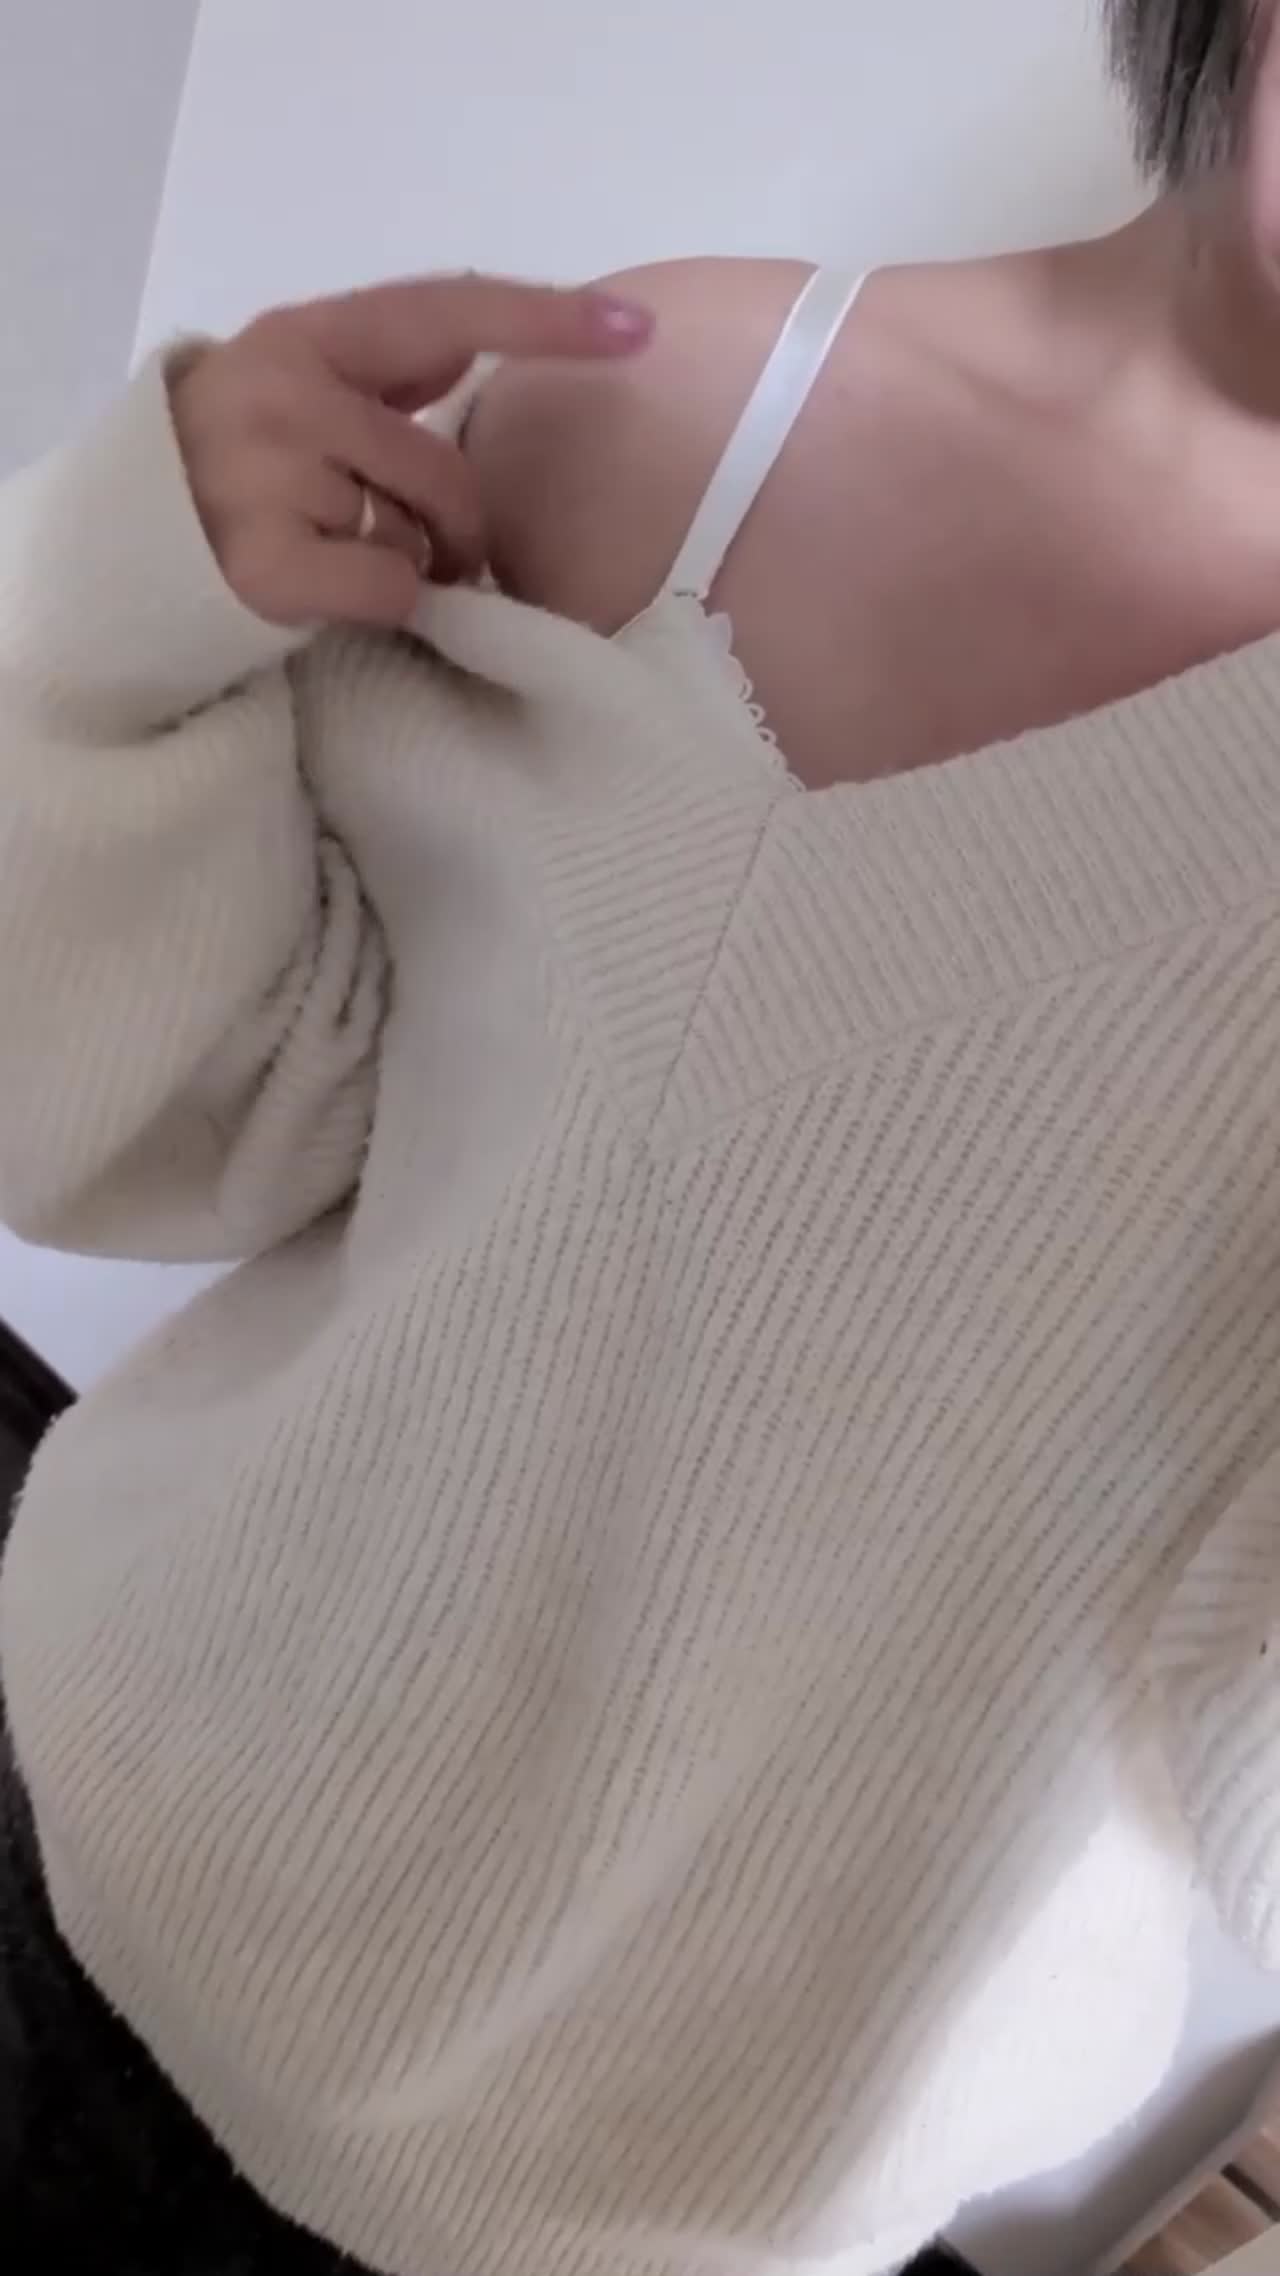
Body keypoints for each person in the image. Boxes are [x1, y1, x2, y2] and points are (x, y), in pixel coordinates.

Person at [2, 1, 1280, 2269]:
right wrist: (103, 636)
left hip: (631, 2230)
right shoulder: (667, 396)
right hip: (90, 1840)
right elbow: (167, 1114)